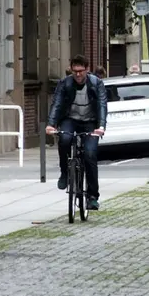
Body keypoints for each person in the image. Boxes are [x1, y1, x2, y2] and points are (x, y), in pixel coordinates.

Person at [45, 55, 108, 210]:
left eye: (81, 71)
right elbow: (57, 104)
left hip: (91, 122)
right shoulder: (65, 83)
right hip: (70, 120)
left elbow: (101, 104)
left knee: (90, 154)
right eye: (75, 72)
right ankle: (65, 173)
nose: (78, 75)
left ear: (87, 69)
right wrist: (51, 124)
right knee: (64, 139)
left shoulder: (96, 83)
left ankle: (92, 196)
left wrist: (101, 126)